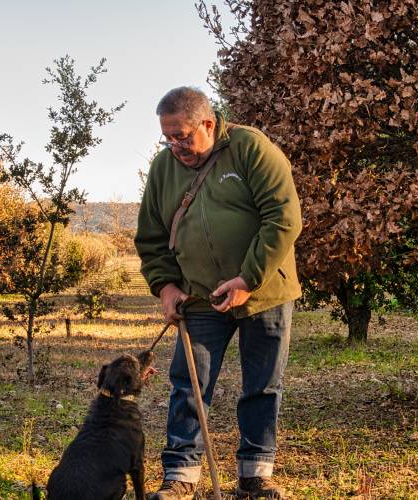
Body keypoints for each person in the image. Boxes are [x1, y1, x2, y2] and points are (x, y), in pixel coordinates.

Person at [135, 87, 302, 500]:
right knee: (188, 384)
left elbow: (283, 217)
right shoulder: (163, 169)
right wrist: (166, 285)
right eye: (168, 138)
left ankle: (255, 474)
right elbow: (152, 237)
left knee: (262, 384)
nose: (175, 147)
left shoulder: (250, 148)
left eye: (183, 136)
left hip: (264, 291)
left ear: (208, 124)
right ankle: (181, 476)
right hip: (200, 296)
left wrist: (248, 279)